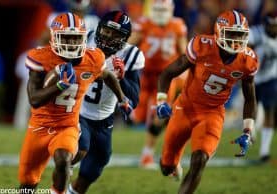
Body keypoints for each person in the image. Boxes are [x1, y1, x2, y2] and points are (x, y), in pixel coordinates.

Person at [18, 12, 131, 194]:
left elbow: (107, 75)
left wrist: (122, 98)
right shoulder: (41, 58)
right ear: (55, 37)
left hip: (67, 126)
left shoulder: (93, 59)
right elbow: (35, 100)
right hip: (39, 127)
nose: (71, 43)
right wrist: (60, 86)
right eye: (67, 38)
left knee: (63, 159)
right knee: (27, 184)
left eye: (75, 38)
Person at [155, 10, 258, 194]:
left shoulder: (247, 60)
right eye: (231, 34)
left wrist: (248, 130)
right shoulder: (201, 46)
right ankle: (173, 167)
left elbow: (250, 97)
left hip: (212, 113)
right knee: (166, 166)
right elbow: (168, 73)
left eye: (240, 35)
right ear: (218, 31)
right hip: (185, 107)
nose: (236, 40)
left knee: (199, 159)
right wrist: (162, 101)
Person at [66, 10, 145, 194]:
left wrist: (122, 77)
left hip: (104, 118)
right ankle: (60, 177)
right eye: (107, 31)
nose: (109, 37)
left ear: (125, 38)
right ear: (100, 28)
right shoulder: (84, 41)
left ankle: (72, 191)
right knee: (82, 145)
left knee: (99, 160)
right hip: (79, 109)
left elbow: (134, 98)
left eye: (116, 34)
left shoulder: (130, 55)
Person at [127, 0, 188, 168]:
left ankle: (147, 155)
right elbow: (129, 45)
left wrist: (187, 72)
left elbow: (185, 53)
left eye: (164, 10)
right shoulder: (144, 23)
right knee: (136, 117)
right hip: (145, 76)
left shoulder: (177, 25)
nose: (160, 14)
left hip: (166, 78)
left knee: (159, 115)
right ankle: (141, 118)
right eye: (158, 10)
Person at [249, 11, 277, 162]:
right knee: (251, 107)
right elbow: (242, 43)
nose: (273, 29)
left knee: (269, 111)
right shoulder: (257, 33)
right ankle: (250, 130)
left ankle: (264, 151)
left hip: (270, 78)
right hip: (252, 77)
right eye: (271, 26)